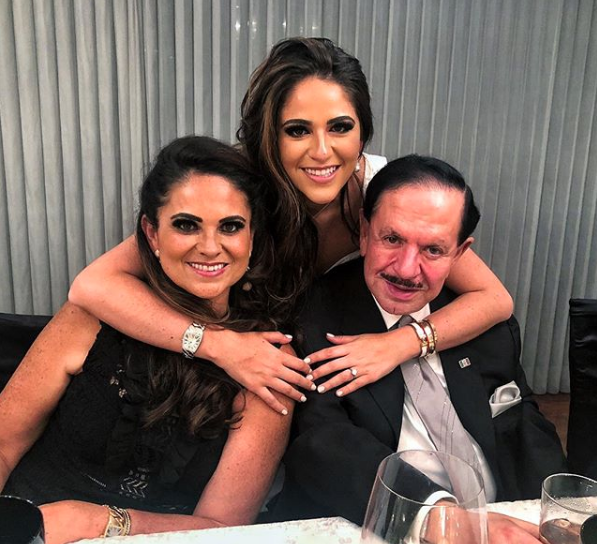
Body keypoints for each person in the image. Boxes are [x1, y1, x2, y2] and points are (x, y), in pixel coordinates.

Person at [68, 37, 513, 414]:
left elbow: (494, 299)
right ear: (269, 135)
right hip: (234, 366)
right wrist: (219, 345)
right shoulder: (235, 185)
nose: (321, 152)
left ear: (363, 132)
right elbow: (92, 285)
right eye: (298, 130)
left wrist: (399, 345)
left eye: (340, 127)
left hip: (336, 376)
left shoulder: (387, 194)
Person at [0, 136, 292, 543]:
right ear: (151, 234)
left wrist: (97, 522)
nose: (210, 247)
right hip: (26, 521)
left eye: (231, 226)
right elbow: (3, 443)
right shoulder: (94, 316)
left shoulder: (268, 359)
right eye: (186, 225)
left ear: (252, 237)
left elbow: (224, 529)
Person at [274, 155, 567, 542]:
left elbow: (525, 425)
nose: (406, 270)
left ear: (459, 253)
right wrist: (442, 519)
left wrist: (555, 519)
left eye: (433, 250)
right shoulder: (312, 318)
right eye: (392, 239)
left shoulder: (479, 320)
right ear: (364, 232)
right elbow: (322, 443)